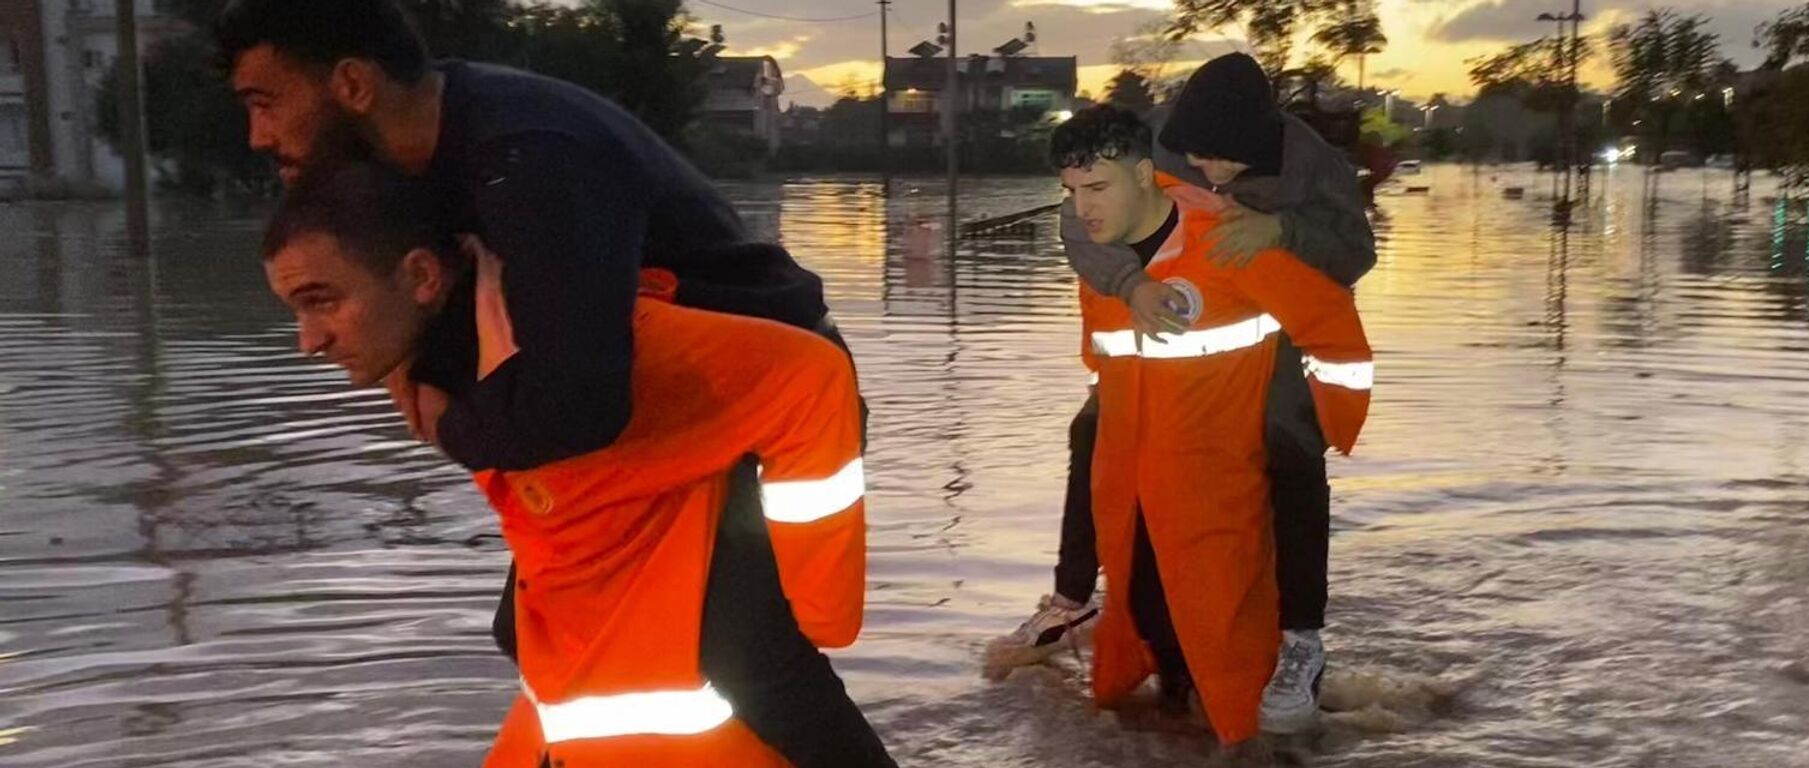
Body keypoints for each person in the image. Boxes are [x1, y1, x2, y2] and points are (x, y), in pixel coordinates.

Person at [214, 3, 884, 761]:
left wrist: (448, 425)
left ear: (351, 84)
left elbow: (577, 404)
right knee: (525, 627)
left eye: (265, 104)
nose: (259, 137)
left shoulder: (530, 161)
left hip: (756, 398)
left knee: (746, 652)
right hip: (647, 403)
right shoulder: (428, 155)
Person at [987, 52, 1375, 730]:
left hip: (1273, 317)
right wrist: (1130, 283)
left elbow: (1355, 251)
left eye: (1228, 163)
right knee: (1094, 432)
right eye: (1199, 159)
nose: (1211, 173)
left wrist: (1280, 229)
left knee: (1290, 446)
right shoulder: (1155, 145)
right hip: (1165, 312)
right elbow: (1081, 220)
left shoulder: (1314, 164)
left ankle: (1301, 638)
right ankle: (1074, 598)